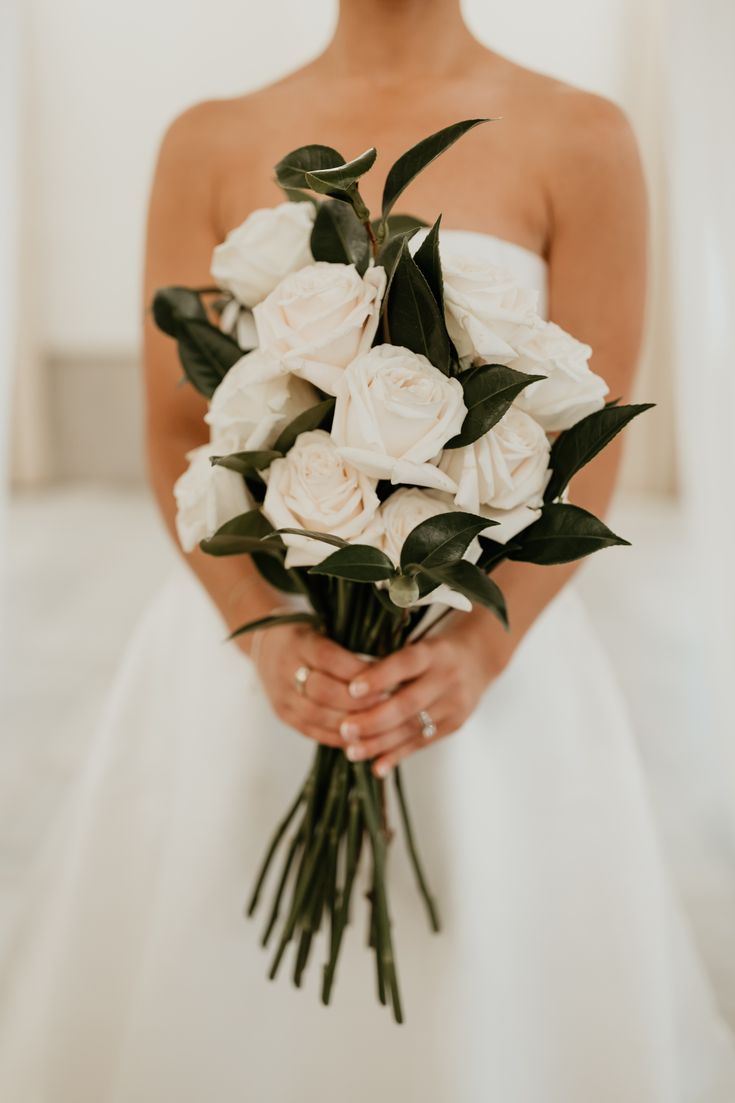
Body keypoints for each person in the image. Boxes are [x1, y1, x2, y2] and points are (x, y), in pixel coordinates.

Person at [1, 2, 734, 1099]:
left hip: (482, 644)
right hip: (254, 642)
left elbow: (591, 438)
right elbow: (169, 425)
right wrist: (260, 622)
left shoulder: (585, 136)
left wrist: (485, 648)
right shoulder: (206, 136)